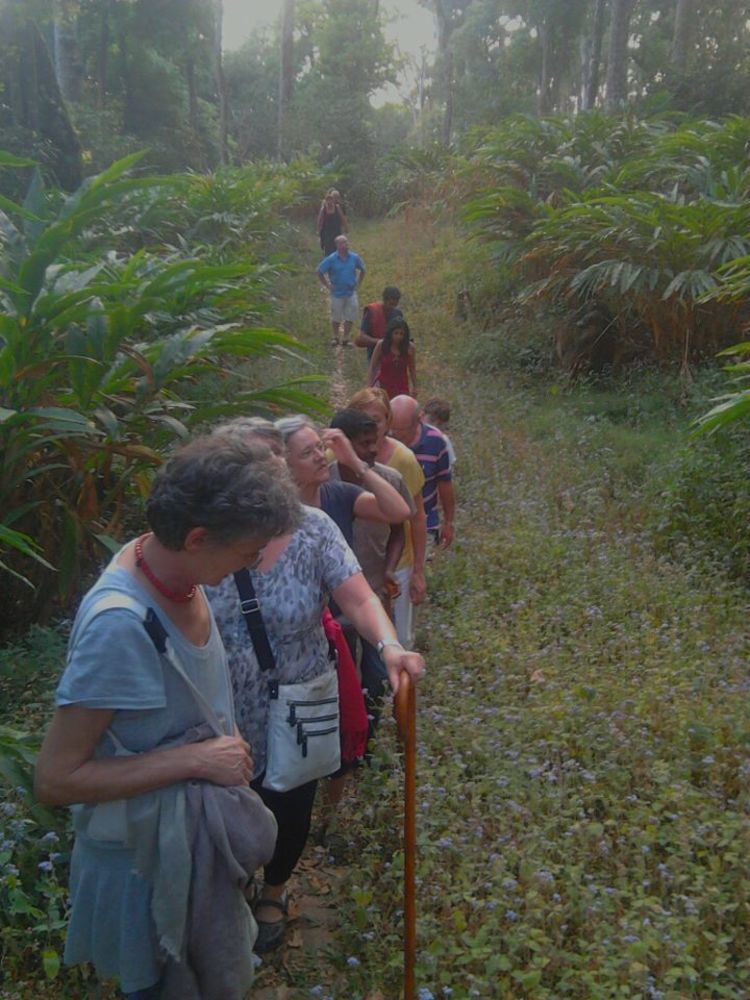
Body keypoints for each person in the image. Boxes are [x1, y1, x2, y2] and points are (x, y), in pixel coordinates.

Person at [34, 436, 301, 1000]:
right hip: (144, 872)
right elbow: (56, 779)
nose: (252, 566)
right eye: (248, 553)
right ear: (198, 537)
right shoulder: (120, 625)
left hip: (187, 850)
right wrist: (196, 760)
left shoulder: (176, 571)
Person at [207, 417, 421, 954]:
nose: (266, 473)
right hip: (218, 705)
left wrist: (388, 644)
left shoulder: (314, 528)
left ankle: (274, 889)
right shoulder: (205, 532)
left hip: (299, 696)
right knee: (223, 808)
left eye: (272, 460)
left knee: (290, 803)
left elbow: (359, 598)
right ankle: (227, 891)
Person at [327, 408, 416, 729]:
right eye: (364, 444)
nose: (373, 450)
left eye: (374, 442)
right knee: (343, 673)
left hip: (376, 591)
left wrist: (391, 569)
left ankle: (370, 735)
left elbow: (398, 530)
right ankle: (350, 735)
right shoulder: (324, 482)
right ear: (344, 445)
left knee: (378, 675)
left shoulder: (388, 481)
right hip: (335, 599)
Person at [347, 388, 427, 648]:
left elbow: (416, 518)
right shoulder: (334, 457)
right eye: (363, 418)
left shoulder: (402, 459)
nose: (371, 427)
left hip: (397, 562)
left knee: (398, 639)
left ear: (388, 422)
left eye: (377, 420)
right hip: (352, 565)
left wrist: (417, 571)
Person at [390, 394, 456, 548]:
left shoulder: (437, 442)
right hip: (389, 522)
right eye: (391, 429)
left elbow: (445, 484)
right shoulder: (382, 437)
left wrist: (449, 522)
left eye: (401, 430)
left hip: (426, 522)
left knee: (422, 567)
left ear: (418, 420)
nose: (395, 435)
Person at [318, 235, 366, 347]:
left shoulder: (354, 257)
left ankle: (346, 337)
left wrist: (358, 283)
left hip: (351, 292)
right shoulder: (331, 259)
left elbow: (363, 269)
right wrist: (328, 285)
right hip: (337, 293)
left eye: (346, 242)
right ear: (337, 245)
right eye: (342, 243)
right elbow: (319, 271)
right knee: (336, 315)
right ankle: (335, 336)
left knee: (350, 316)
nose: (345, 245)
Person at [368, 316, 417, 399]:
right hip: (383, 386)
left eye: (401, 334)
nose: (398, 336)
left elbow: (412, 368)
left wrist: (415, 386)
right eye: (396, 333)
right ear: (390, 333)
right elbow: (373, 367)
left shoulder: (410, 348)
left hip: (402, 387)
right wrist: (369, 387)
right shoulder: (381, 345)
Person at [355, 285, 403, 359]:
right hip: (374, 354)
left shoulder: (398, 314)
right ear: (384, 299)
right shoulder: (372, 311)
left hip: (392, 355)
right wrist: (380, 342)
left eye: (395, 302)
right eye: (391, 302)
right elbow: (361, 336)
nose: (393, 305)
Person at [423, 397, 457, 470]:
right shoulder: (413, 436)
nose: (434, 427)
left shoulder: (443, 440)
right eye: (431, 420)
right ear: (422, 415)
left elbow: (449, 469)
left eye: (439, 424)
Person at [317, 189, 348, 256]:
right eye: (328, 200)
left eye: (331, 199)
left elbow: (343, 217)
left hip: (336, 231)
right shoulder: (323, 209)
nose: (330, 201)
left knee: (338, 246)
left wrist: (346, 228)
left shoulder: (337, 207)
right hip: (327, 232)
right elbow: (320, 220)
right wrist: (319, 231)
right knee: (328, 248)